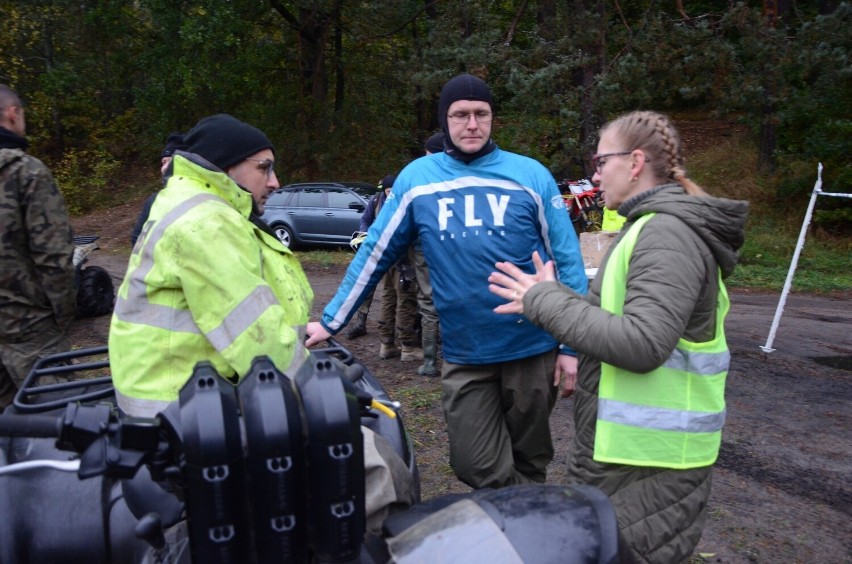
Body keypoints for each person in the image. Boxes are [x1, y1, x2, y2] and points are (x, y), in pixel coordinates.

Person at [487, 110, 748, 562]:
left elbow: (643, 343)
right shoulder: (645, 229)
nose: (594, 174)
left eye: (600, 160)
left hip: (653, 462)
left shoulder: (668, 235)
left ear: (634, 162)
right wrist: (548, 299)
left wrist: (548, 302)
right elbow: (617, 320)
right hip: (630, 455)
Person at [306, 73, 588, 489]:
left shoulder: (531, 175)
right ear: (445, 120)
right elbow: (377, 250)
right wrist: (332, 320)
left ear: (492, 119)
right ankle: (525, 508)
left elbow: (567, 259)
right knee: (474, 462)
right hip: (465, 350)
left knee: (530, 458)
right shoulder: (418, 180)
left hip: (532, 345)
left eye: (481, 114)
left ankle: (521, 534)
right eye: (460, 115)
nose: (471, 124)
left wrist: (571, 343)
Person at [0, 84, 76, 410]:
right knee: (58, 436)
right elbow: (55, 258)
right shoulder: (27, 173)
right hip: (33, 334)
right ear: (12, 114)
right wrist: (62, 317)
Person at [412, 131, 446, 376]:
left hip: (425, 247)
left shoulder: (423, 179)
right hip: (454, 248)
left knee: (427, 301)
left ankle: (429, 361)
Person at [130, 132, 184, 246]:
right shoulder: (154, 200)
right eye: (163, 162)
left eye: (169, 161)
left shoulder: (203, 199)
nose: (164, 168)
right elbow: (137, 238)